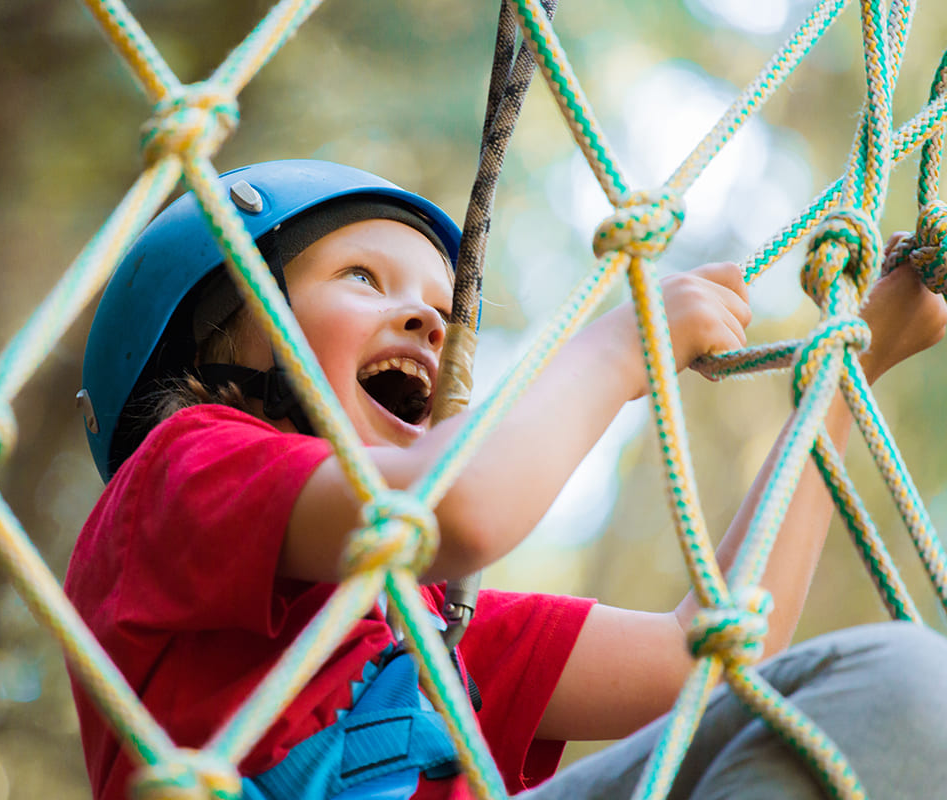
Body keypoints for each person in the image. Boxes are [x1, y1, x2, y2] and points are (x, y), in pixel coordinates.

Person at [64, 159, 947, 800]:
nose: (423, 319)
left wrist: (843, 378)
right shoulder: (180, 473)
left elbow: (711, 657)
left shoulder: (428, 636)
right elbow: (456, 506)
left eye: (445, 312)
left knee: (898, 690)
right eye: (361, 278)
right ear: (222, 337)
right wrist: (620, 348)